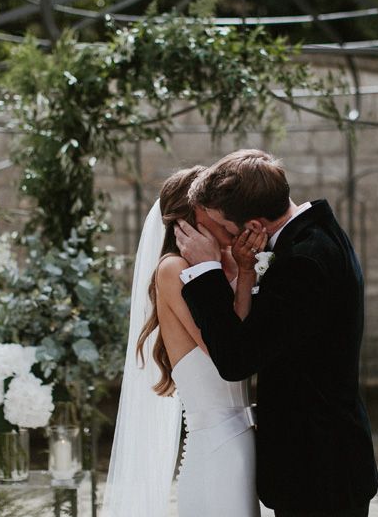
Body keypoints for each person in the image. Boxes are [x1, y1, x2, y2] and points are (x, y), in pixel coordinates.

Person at [174, 149, 378, 517]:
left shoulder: (303, 262)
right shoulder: (316, 235)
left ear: (253, 224)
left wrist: (206, 271)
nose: (221, 238)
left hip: (318, 470)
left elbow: (237, 359)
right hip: (323, 464)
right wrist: (246, 272)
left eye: (222, 226)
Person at [102, 166, 266, 517]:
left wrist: (240, 270)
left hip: (242, 444)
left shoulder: (217, 269)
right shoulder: (173, 269)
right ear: (191, 217)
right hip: (219, 451)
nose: (230, 220)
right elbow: (224, 346)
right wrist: (239, 274)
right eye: (217, 210)